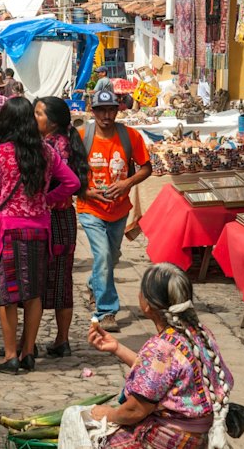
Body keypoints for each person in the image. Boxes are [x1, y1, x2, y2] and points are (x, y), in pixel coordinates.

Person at [0, 97, 80, 375]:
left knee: (7, 295)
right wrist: (47, 200)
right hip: (39, 231)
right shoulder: (46, 152)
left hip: (8, 230)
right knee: (34, 293)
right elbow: (73, 182)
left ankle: (10, 354)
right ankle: (27, 352)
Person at [85, 262, 233, 448]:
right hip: (200, 433)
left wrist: (107, 413)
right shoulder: (200, 333)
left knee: (85, 433)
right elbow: (158, 375)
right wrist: (117, 348)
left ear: (148, 306)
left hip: (173, 438)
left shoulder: (161, 347)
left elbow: (135, 410)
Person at [77, 89, 152, 332]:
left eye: (111, 110)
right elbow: (69, 173)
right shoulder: (81, 136)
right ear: (93, 111)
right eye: (101, 110)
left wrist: (126, 183)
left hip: (119, 210)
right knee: (102, 256)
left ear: (117, 111)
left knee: (111, 257)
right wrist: (86, 192)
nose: (107, 115)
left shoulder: (130, 136)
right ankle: (107, 310)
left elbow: (146, 168)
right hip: (90, 208)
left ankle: (93, 284)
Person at [34, 97, 89, 358]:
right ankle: (62, 339)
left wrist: (45, 200)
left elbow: (66, 184)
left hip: (49, 218)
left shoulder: (50, 147)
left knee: (36, 278)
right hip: (66, 218)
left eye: (38, 114)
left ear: (52, 121)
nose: (34, 119)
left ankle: (28, 342)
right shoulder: (67, 141)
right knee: (62, 279)